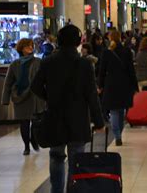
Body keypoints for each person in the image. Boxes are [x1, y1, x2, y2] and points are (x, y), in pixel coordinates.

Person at [30, 25, 105, 193]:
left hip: (55, 116)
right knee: (76, 159)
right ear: (78, 42)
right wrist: (99, 121)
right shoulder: (84, 64)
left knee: (56, 156)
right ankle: (73, 189)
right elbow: (92, 95)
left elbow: (35, 86)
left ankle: (56, 190)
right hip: (78, 118)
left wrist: (49, 96)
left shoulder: (48, 61)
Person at [2, 38, 45, 155]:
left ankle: (34, 139)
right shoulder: (15, 64)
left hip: (36, 97)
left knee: (36, 122)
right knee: (24, 122)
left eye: (31, 46)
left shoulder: (38, 62)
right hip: (21, 97)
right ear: (21, 49)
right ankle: (26, 146)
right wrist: (5, 99)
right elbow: (8, 82)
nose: (30, 48)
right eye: (27, 46)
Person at [98, 30, 138, 146]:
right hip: (125, 84)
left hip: (111, 84)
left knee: (114, 111)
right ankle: (119, 133)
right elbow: (131, 70)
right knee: (121, 110)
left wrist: (100, 85)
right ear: (120, 38)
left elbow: (102, 71)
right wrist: (135, 86)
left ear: (110, 38)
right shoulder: (126, 51)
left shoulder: (106, 52)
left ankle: (117, 135)